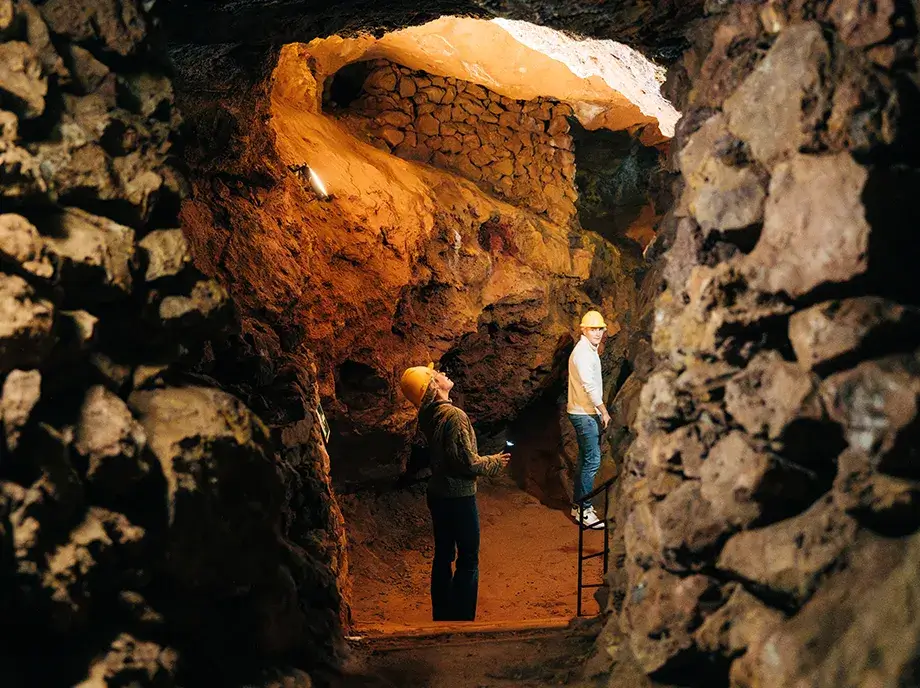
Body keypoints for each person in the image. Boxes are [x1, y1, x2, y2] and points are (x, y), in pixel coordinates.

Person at [399, 363, 511, 622]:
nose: (443, 373)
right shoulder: (454, 416)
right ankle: (461, 620)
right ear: (433, 386)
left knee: (443, 555)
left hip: (437, 493)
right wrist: (495, 461)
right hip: (458, 496)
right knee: (468, 558)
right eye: (436, 374)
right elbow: (467, 463)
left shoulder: (428, 414)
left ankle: (441, 616)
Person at [567, 310, 610, 529]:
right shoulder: (583, 353)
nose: (597, 332)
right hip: (583, 414)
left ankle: (578, 506)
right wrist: (603, 411)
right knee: (592, 460)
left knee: (585, 459)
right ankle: (585, 510)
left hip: (584, 411)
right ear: (584, 330)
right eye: (593, 329)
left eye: (600, 328)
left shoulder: (589, 350)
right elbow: (589, 386)